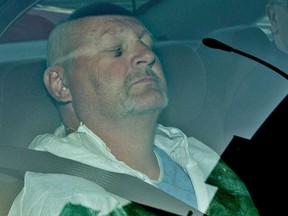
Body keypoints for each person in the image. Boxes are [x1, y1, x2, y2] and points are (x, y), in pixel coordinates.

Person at [8, 3, 258, 216]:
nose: (147, 54)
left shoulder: (195, 153)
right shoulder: (66, 200)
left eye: (147, 43)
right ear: (61, 84)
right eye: (115, 50)